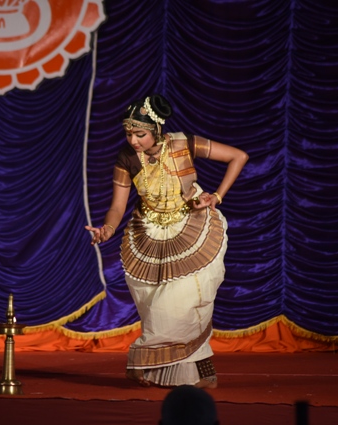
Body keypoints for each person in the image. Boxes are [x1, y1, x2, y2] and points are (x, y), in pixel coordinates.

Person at [85, 94, 248, 388]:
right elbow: (117, 207)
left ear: (156, 129)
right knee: (157, 309)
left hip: (192, 228)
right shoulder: (126, 158)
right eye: (129, 134)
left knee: (188, 304)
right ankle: (178, 371)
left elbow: (239, 156)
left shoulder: (184, 144)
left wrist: (217, 196)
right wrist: (107, 229)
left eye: (140, 134)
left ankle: (185, 368)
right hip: (149, 235)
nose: (133, 140)